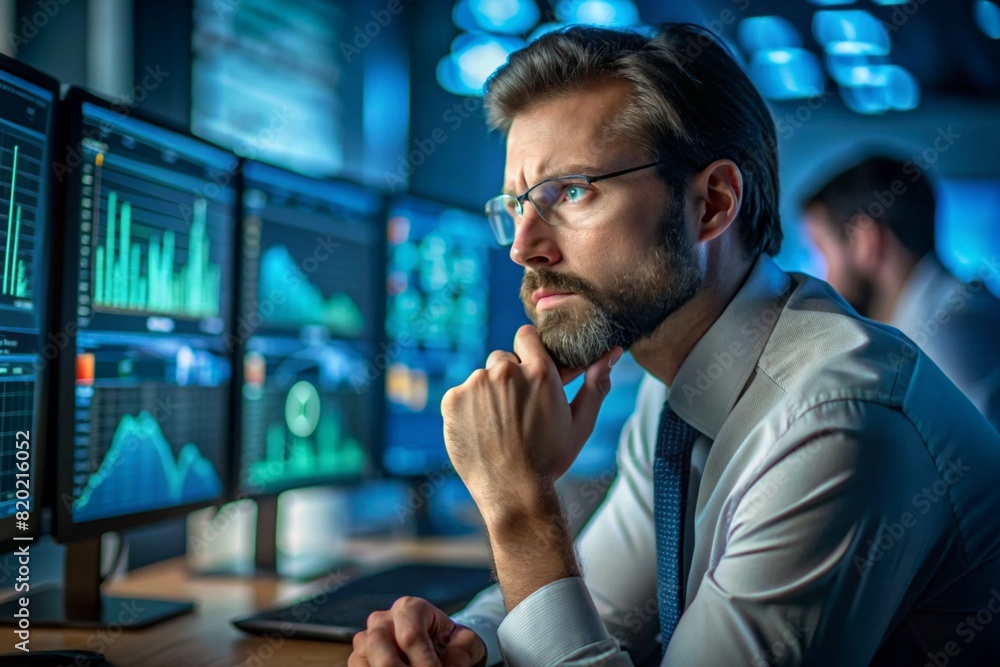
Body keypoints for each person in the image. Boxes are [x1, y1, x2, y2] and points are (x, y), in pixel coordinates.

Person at [348, 24, 1000, 667]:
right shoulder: (680, 386)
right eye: (516, 206)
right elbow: (601, 607)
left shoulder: (834, 421)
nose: (523, 247)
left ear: (712, 203)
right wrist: (463, 642)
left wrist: (520, 508)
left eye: (571, 192)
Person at [803, 156, 1000, 431]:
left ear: (866, 241)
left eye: (822, 252)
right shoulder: (931, 318)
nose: (824, 277)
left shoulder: (947, 331)